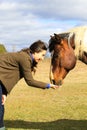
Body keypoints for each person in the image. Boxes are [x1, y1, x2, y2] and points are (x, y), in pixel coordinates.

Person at [0, 40, 59, 129]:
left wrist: (3, 93)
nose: (43, 58)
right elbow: (30, 81)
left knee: (1, 107)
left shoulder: (26, 57)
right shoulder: (24, 58)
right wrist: (48, 85)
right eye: (42, 55)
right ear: (36, 51)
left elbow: (7, 76)